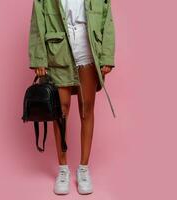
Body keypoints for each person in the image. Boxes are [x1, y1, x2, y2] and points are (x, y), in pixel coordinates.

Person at [28, 0, 116, 195]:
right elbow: (37, 20)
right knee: (61, 111)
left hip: (88, 52)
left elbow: (106, 19)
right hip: (58, 53)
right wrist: (38, 58)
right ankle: (63, 169)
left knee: (86, 109)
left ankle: (84, 169)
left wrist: (107, 56)